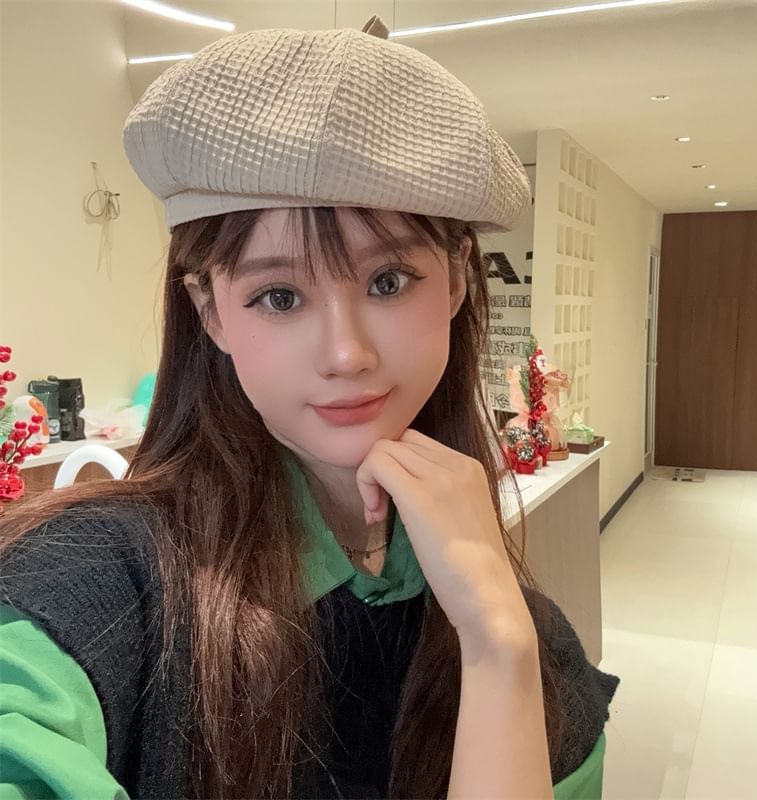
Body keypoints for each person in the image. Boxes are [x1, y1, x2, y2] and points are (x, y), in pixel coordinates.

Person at [0, 16, 620, 800]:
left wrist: (499, 647)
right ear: (210, 312)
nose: (345, 354)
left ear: (459, 279)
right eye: (280, 295)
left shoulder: (539, 649)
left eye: (388, 281)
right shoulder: (98, 581)